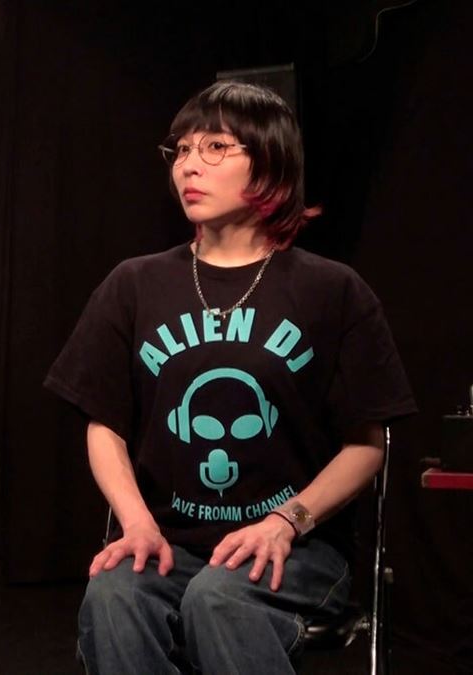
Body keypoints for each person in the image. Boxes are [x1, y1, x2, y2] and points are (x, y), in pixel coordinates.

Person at [44, 81, 415, 673]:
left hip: (298, 548)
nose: (189, 165)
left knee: (218, 597)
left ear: (270, 162)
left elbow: (367, 445)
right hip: (169, 541)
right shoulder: (134, 285)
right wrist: (136, 522)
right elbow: (104, 422)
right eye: (182, 150)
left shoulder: (331, 290)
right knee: (114, 594)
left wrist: (286, 521)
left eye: (215, 147)